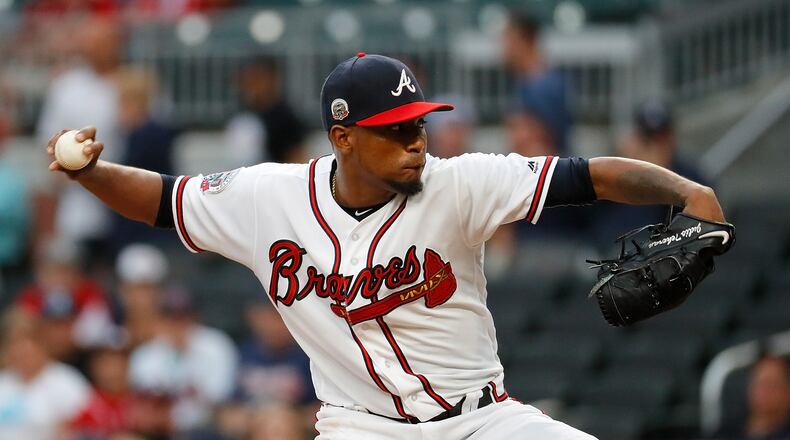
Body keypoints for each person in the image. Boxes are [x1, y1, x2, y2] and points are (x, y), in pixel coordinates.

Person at [44, 53, 726, 439]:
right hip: (361, 429)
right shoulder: (267, 197)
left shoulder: (460, 183)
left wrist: (690, 193)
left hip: (483, 422)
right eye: (394, 130)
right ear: (342, 138)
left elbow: (596, 175)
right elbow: (163, 199)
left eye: (418, 125)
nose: (415, 141)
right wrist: (90, 172)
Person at [0, 309, 91, 440]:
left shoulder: (67, 382)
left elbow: (85, 430)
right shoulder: (3, 381)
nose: (20, 350)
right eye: (13, 343)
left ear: (41, 343)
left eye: (26, 342)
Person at [501, 11, 573, 156]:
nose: (502, 48)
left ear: (524, 40)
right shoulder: (523, 82)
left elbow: (544, 148)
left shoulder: (547, 86)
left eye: (507, 39)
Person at [224, 56, 308, 166]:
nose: (251, 85)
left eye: (256, 79)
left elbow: (298, 157)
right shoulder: (242, 115)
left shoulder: (284, 117)